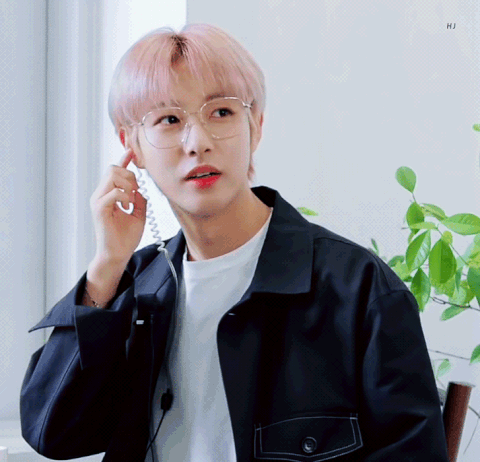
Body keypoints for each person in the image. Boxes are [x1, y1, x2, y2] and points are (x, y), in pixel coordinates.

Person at [20, 23, 449, 462]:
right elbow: (52, 434)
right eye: (169, 120)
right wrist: (107, 267)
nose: (198, 143)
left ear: (255, 126)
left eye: (221, 112)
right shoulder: (135, 287)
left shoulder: (360, 291)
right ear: (132, 145)